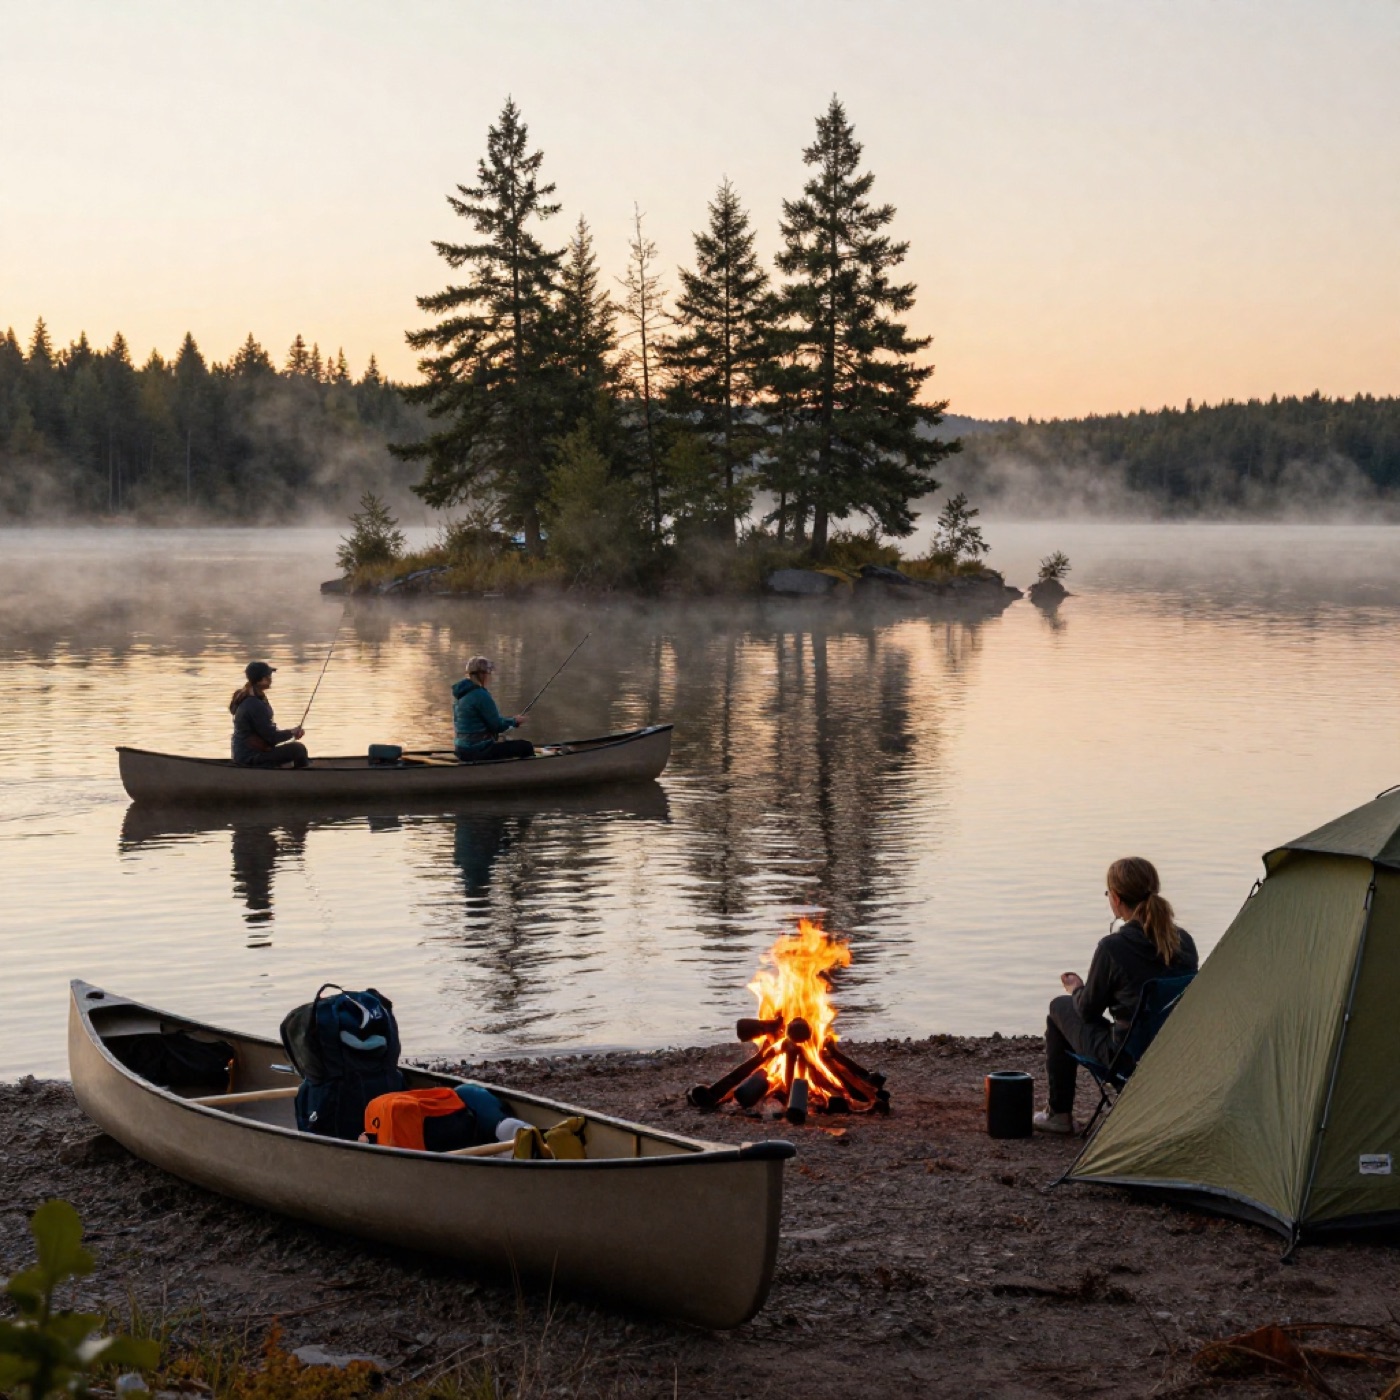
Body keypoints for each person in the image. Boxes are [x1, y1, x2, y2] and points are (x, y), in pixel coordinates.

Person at [1034, 856, 1198, 1134]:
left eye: (1109, 893)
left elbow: (1087, 1011)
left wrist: (1076, 989)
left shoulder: (1114, 947)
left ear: (1117, 898)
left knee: (1059, 1007)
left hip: (1128, 1061)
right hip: (1173, 1058)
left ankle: (1058, 1115)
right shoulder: (1184, 942)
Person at [452, 656, 535, 762]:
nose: (489, 676)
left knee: (503, 742)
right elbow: (497, 725)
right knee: (525, 747)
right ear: (482, 675)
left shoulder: (460, 696)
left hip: (461, 750)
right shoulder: (481, 695)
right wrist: (515, 721)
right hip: (477, 751)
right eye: (488, 673)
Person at [229, 661, 310, 768]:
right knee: (298, 749)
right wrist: (292, 732)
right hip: (250, 757)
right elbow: (271, 737)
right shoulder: (255, 704)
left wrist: (291, 733)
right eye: (268, 676)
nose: (271, 679)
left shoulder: (250, 696)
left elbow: (267, 734)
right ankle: (302, 779)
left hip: (243, 754)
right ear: (260, 680)